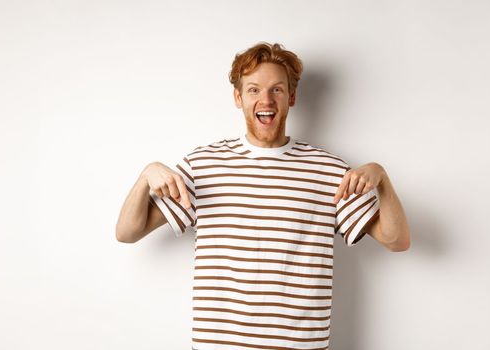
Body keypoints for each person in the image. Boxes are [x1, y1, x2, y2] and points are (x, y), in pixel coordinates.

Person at [114, 42, 411, 350]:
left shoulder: (329, 171)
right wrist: (146, 175)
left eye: (277, 90)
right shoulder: (203, 166)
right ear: (238, 98)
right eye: (254, 90)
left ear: (291, 97)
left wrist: (382, 179)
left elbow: (397, 240)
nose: (265, 99)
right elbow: (127, 232)